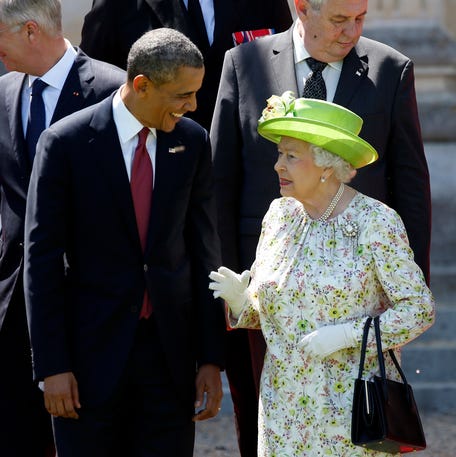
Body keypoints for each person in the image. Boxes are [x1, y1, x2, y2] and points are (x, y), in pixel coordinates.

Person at [210, 1, 431, 452]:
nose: (351, 32)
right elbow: (221, 182)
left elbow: (410, 186)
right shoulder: (245, 62)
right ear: (302, 8)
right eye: (338, 20)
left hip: (354, 341)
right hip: (279, 352)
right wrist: (238, 297)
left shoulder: (390, 68)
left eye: (360, 18)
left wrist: (387, 311)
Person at [23, 28, 226, 457]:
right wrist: (52, 366)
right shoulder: (64, 143)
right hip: (86, 364)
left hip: (169, 362)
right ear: (141, 85)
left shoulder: (191, 142)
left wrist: (210, 358)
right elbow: (41, 261)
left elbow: (205, 252)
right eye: (182, 95)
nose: (192, 105)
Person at [0, 0, 125, 455]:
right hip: (14, 310)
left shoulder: (113, 91)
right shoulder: (3, 93)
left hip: (87, 310)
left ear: (31, 31)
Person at [79, 0, 293, 130]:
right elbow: (94, 82)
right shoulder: (119, 6)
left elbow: (285, 63)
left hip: (242, 171)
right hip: (160, 166)